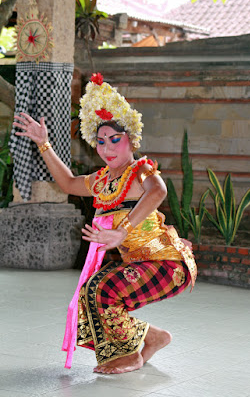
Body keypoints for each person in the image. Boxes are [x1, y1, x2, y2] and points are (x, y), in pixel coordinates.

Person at [13, 73, 197, 375]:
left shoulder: (141, 170)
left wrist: (122, 230)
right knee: (92, 292)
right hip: (141, 264)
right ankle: (154, 338)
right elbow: (69, 184)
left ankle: (129, 356)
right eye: (100, 141)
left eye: (115, 140)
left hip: (168, 264)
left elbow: (159, 192)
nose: (107, 148)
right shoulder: (102, 180)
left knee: (102, 288)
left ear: (131, 141)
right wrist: (44, 145)